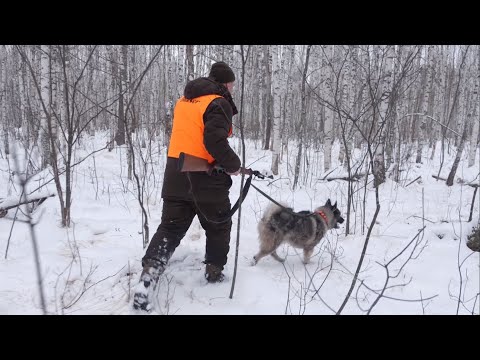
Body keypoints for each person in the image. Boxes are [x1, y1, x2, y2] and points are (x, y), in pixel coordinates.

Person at [133, 61, 241, 311]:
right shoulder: (218, 102)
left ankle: (149, 274)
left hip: (175, 173)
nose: (232, 89)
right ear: (225, 83)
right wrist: (234, 165)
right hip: (205, 176)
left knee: (170, 228)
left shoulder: (185, 101)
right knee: (219, 224)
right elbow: (214, 141)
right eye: (232, 84)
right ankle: (214, 273)